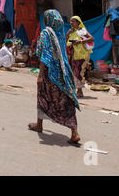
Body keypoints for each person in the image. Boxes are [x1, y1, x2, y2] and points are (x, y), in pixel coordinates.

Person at [28, 9, 81, 145]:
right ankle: (74, 132)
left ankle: (39, 124)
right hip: (64, 73)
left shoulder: (46, 33)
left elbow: (45, 56)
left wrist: (40, 76)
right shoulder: (60, 33)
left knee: (43, 97)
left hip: (50, 74)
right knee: (65, 101)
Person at [66, 16, 94, 98]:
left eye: (73, 21)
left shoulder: (82, 30)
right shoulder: (71, 32)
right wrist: (68, 34)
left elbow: (91, 38)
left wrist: (80, 41)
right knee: (73, 72)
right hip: (73, 55)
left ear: (78, 22)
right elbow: (66, 41)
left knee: (79, 72)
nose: (71, 23)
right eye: (70, 22)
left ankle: (80, 90)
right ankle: (75, 90)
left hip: (82, 55)